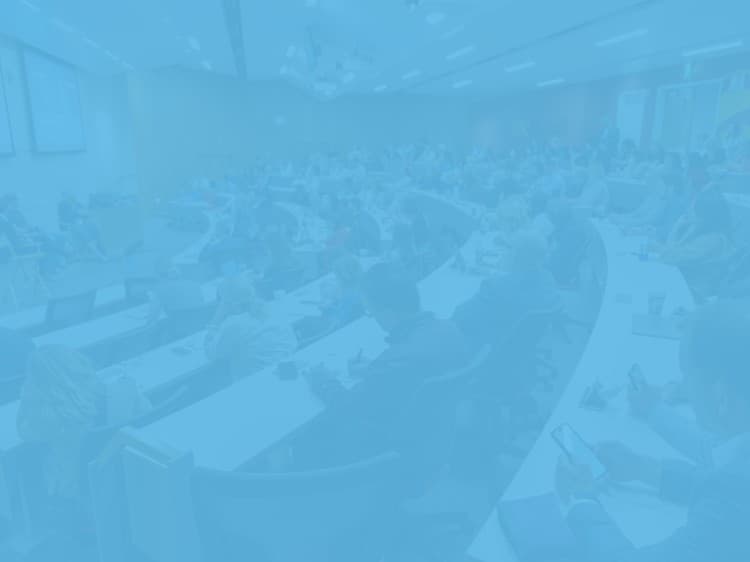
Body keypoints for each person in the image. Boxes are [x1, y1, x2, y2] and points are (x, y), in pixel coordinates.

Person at [556, 303, 750, 561]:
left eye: (686, 376)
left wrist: (581, 500)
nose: (682, 387)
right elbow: (727, 480)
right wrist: (644, 469)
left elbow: (731, 493)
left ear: (721, 396)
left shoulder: (731, 494)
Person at [16, 346, 150, 499]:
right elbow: (147, 414)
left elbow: (23, 432)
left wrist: (25, 397)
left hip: (73, 486)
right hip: (122, 469)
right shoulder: (126, 390)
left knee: (25, 461)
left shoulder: (52, 417)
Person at [204, 274, 298, 380]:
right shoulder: (274, 308)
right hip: (286, 371)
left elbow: (211, 354)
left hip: (255, 382)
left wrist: (215, 321)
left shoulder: (233, 324)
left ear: (226, 304)